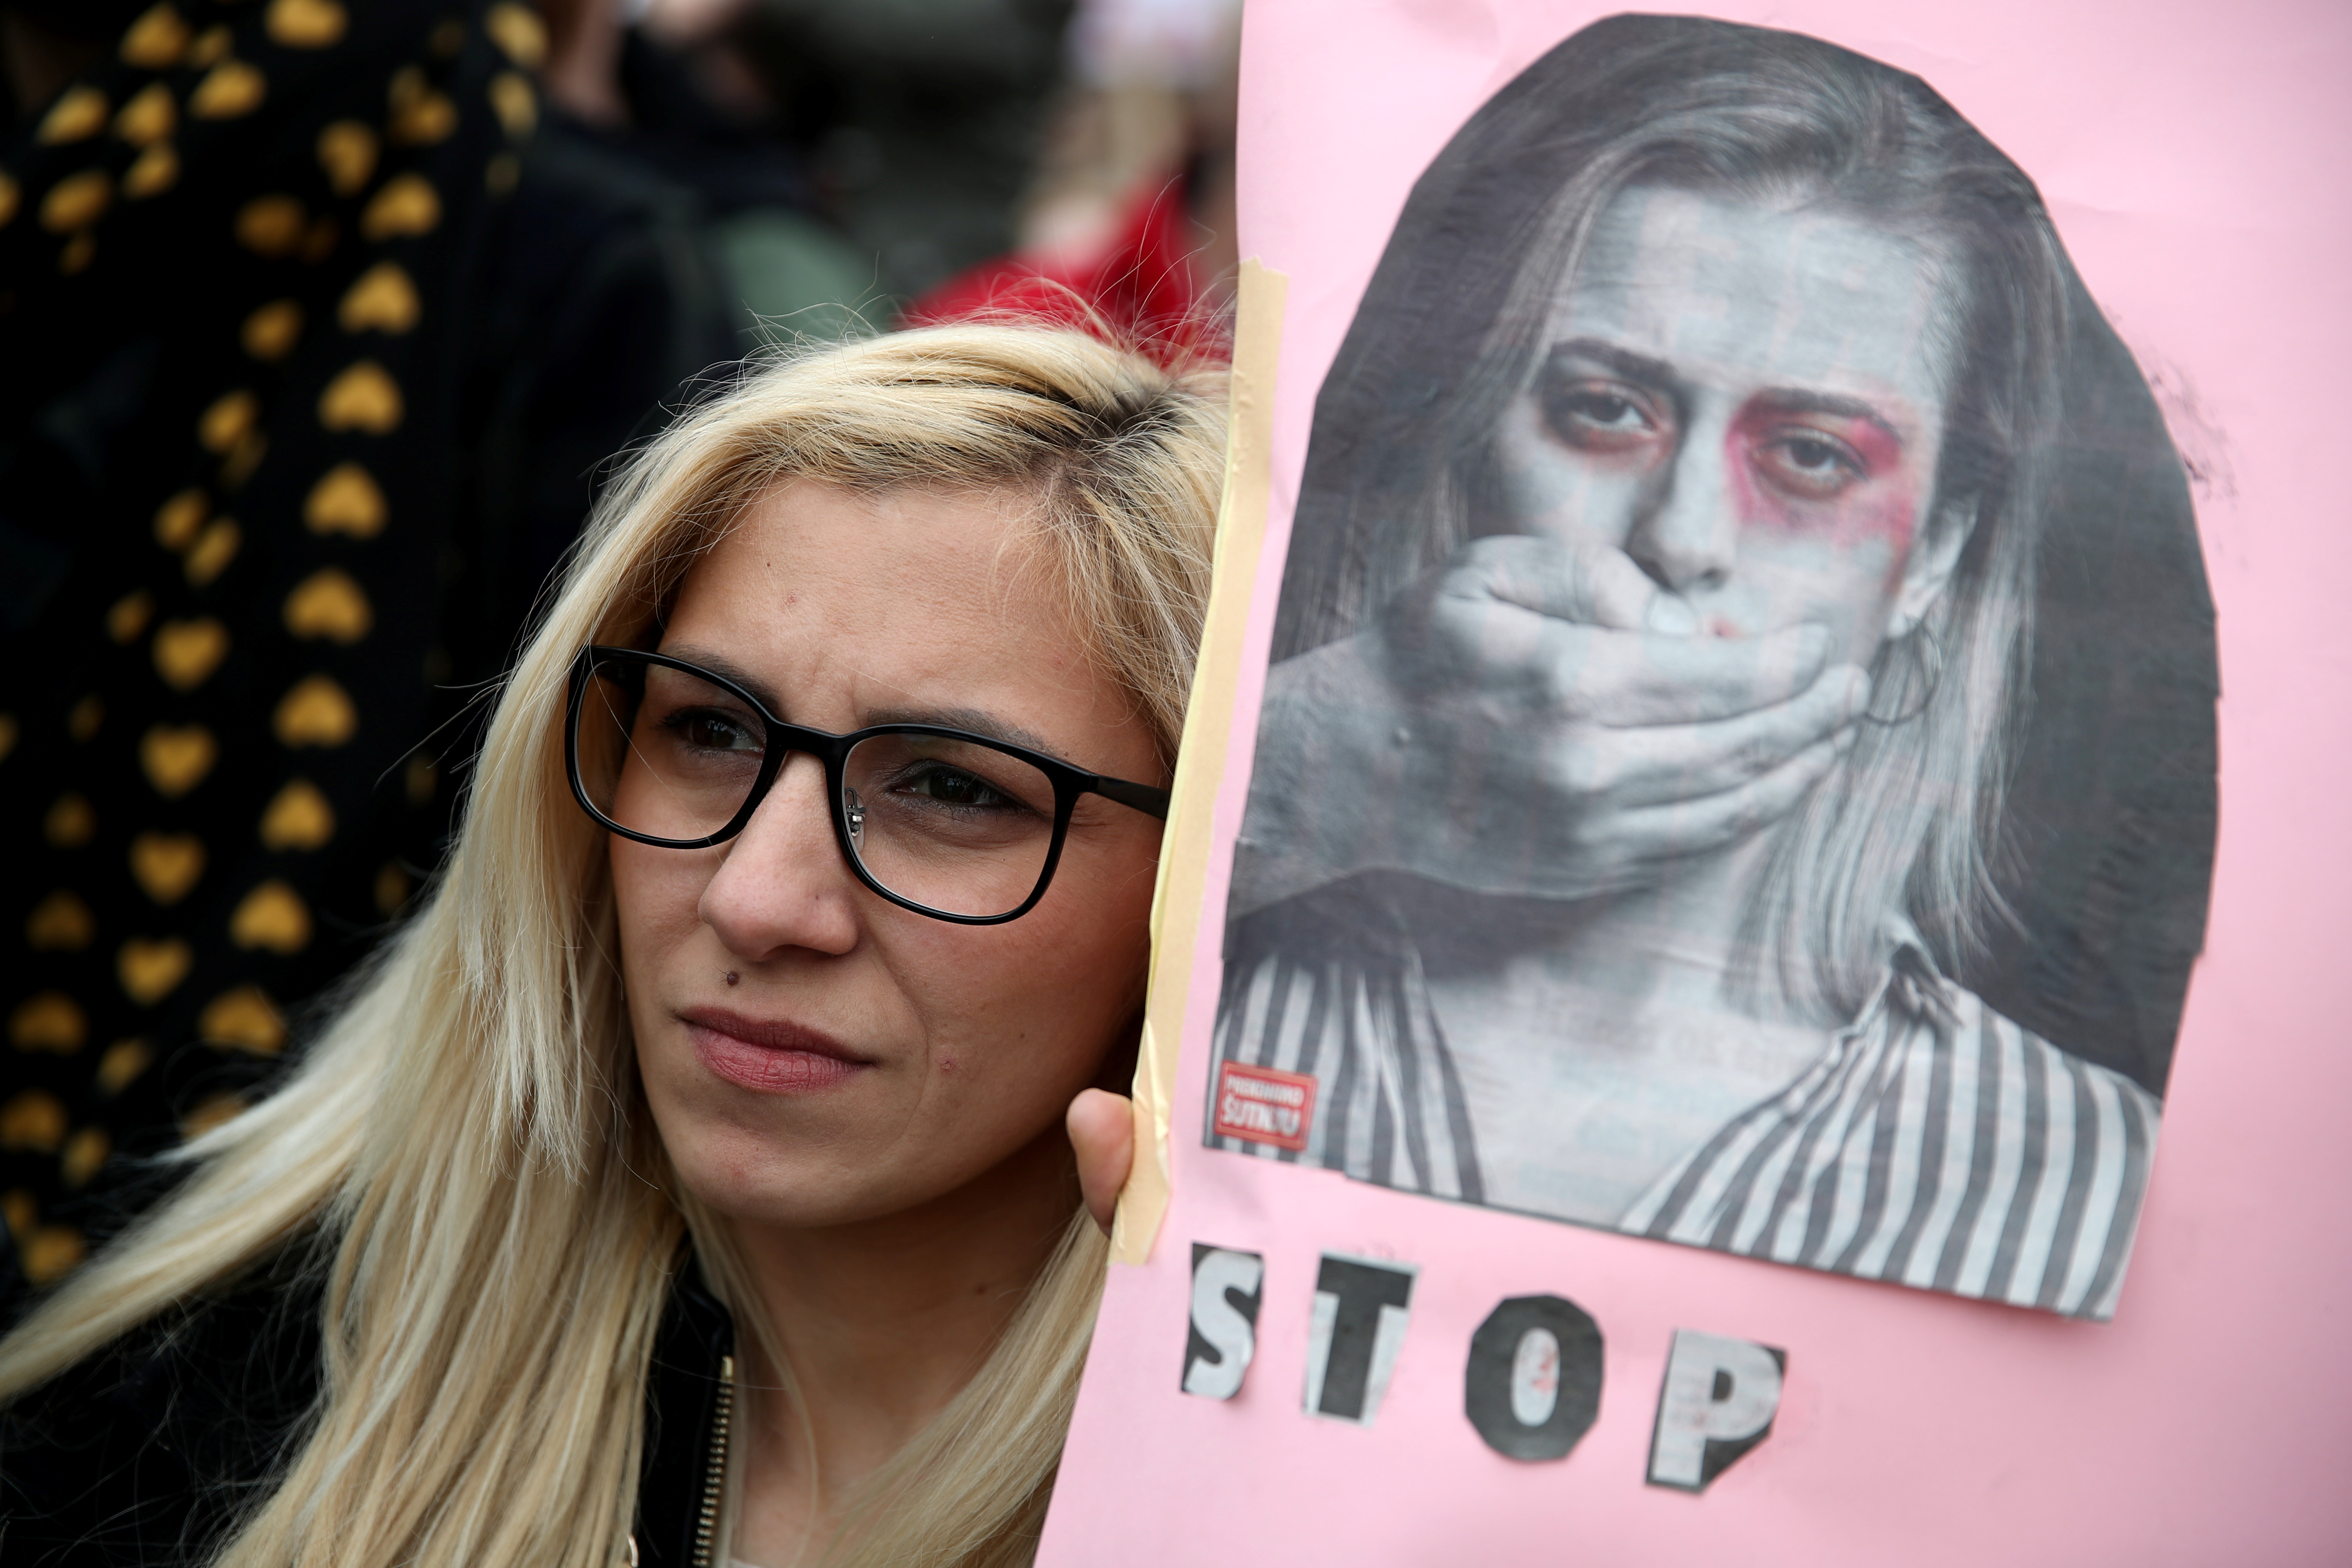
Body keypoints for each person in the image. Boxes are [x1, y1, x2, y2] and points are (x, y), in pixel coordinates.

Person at [0, 322, 1226, 1568]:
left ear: (1210, 879)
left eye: (955, 790)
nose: (757, 901)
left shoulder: (1320, 1501)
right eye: (710, 732)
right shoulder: (243, 1400)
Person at [1208, 16, 2213, 1320]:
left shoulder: (2080, 1179)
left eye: (1812, 456)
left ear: (1930, 563)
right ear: (1470, 444)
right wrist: (1297, 778)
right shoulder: (1199, 997)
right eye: (1607, 409)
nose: (1682, 536)